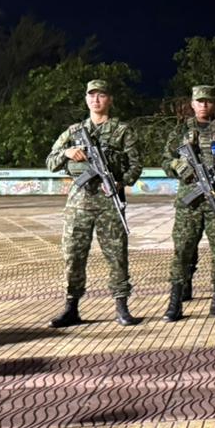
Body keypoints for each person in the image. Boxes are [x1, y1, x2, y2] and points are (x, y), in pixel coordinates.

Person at [45, 79, 143, 327]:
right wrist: (67, 153)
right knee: (73, 255)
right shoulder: (74, 131)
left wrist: (121, 183)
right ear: (86, 99)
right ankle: (71, 307)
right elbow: (50, 162)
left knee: (116, 255)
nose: (96, 100)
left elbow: (136, 165)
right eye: (91, 95)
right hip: (78, 204)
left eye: (101, 95)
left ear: (109, 99)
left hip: (109, 202)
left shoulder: (122, 131)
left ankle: (121, 306)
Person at [161, 85, 215, 322]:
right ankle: (175, 303)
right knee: (182, 251)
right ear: (193, 104)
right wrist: (181, 167)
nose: (204, 105)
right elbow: (167, 161)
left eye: (208, 101)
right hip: (190, 202)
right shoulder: (180, 130)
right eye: (200, 101)